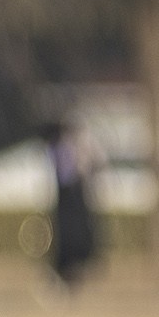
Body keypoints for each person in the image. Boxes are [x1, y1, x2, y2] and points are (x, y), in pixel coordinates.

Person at [41, 117, 99, 293]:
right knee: (64, 238)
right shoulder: (58, 148)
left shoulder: (66, 148)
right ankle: (64, 275)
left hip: (70, 197)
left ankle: (69, 275)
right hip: (64, 198)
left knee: (71, 238)